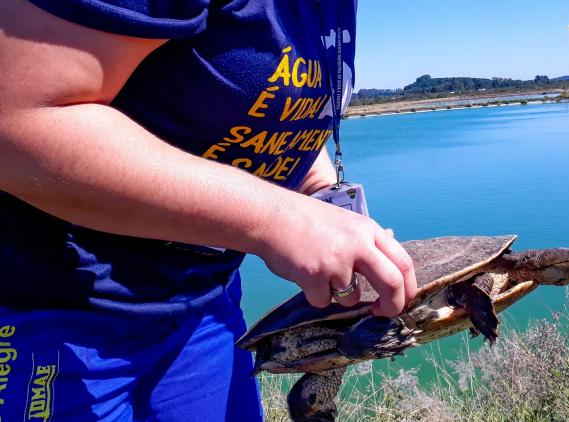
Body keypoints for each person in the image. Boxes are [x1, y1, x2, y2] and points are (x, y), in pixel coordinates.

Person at [0, 0, 417, 420]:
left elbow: (269, 111)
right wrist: (276, 218)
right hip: (53, 306)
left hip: (202, 302)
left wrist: (319, 193)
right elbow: (15, 123)